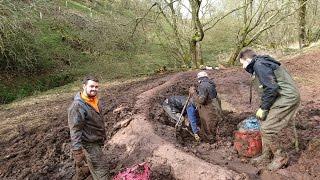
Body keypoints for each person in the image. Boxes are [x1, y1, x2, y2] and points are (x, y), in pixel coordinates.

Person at [238, 48, 300, 171]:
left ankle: (280, 157)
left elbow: (271, 88)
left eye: (242, 63)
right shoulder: (260, 64)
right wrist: (264, 108)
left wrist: (263, 107)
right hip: (280, 96)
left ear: (248, 59)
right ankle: (267, 155)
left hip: (286, 97)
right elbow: (267, 88)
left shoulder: (259, 65)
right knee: (263, 123)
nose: (242, 67)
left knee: (268, 128)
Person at [68, 75, 109, 179]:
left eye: (96, 87)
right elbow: (75, 129)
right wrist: (77, 151)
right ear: (84, 86)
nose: (94, 89)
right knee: (102, 170)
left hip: (96, 139)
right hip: (89, 142)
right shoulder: (77, 106)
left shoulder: (94, 100)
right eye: (91, 86)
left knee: (95, 166)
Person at [189, 71, 223, 143]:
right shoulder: (211, 84)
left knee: (208, 129)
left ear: (199, 79)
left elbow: (201, 101)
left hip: (209, 110)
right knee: (213, 126)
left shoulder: (202, 85)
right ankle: (215, 140)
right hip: (215, 109)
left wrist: (193, 93)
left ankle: (210, 144)